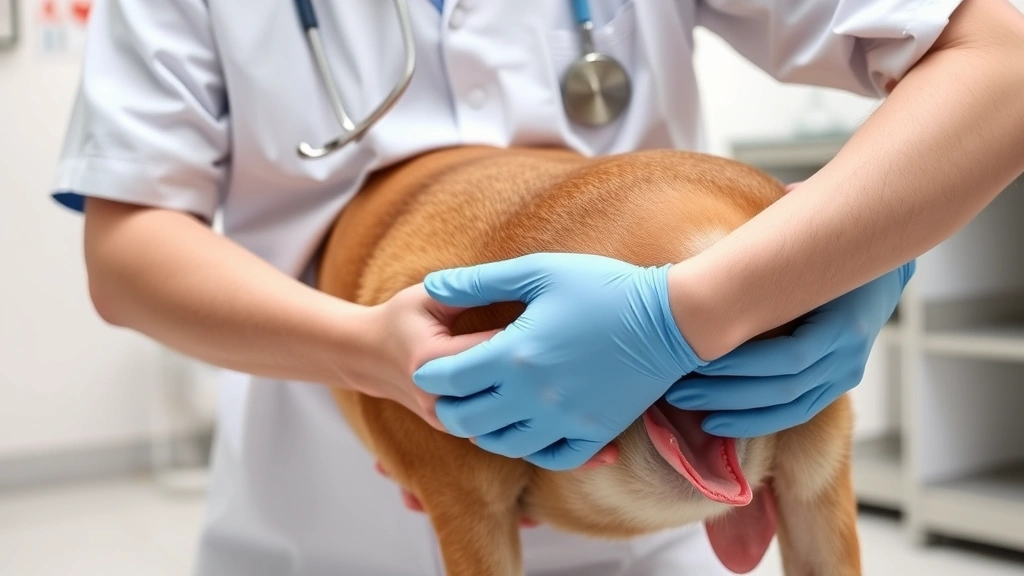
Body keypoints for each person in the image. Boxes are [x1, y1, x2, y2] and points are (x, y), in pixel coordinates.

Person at [52, 0, 1024, 574]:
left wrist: (730, 302)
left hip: (652, 543)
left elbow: (1001, 58)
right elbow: (129, 249)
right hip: (319, 528)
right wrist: (372, 356)